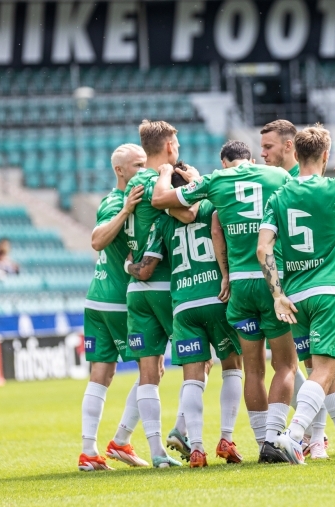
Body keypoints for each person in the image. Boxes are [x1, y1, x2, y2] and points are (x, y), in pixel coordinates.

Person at [151, 140, 299, 464]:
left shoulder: (213, 185)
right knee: (276, 365)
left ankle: (206, 445)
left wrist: (167, 173)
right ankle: (260, 439)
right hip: (258, 282)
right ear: (250, 158)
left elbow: (182, 216)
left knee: (241, 371)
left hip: (212, 295)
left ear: (223, 161)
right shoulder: (273, 176)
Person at [257, 124, 335, 464]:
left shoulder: (279, 196)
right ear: (326, 155)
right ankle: (295, 437)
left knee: (322, 371)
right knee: (326, 369)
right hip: (328, 291)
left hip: (295, 296)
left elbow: (263, 247)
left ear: (295, 154)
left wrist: (278, 293)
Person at [126, 169, 245, 468]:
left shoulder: (162, 220)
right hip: (217, 297)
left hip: (184, 305)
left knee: (191, 379)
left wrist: (129, 266)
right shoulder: (213, 207)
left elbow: (146, 269)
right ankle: (226, 438)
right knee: (231, 366)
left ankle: (197, 448)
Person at [124, 120, 197, 468]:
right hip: (168, 285)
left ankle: (156, 452)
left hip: (137, 289)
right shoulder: (157, 183)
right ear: (169, 147)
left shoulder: (133, 182)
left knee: (148, 372)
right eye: (176, 146)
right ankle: (182, 429)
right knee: (200, 361)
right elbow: (188, 214)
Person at [260, 119, 328, 456]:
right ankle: (313, 437)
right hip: (297, 288)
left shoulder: (282, 189)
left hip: (293, 286)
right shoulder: (276, 185)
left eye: (269, 147)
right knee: (304, 365)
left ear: (291, 147)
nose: (263, 154)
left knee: (313, 366)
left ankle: (315, 438)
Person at [78, 143, 148, 472]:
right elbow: (95, 240)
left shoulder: (119, 198)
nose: (143, 170)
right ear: (120, 171)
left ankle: (89, 452)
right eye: (137, 165)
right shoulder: (117, 201)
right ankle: (120, 440)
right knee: (153, 369)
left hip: (97, 298)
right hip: (118, 300)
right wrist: (125, 211)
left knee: (101, 374)